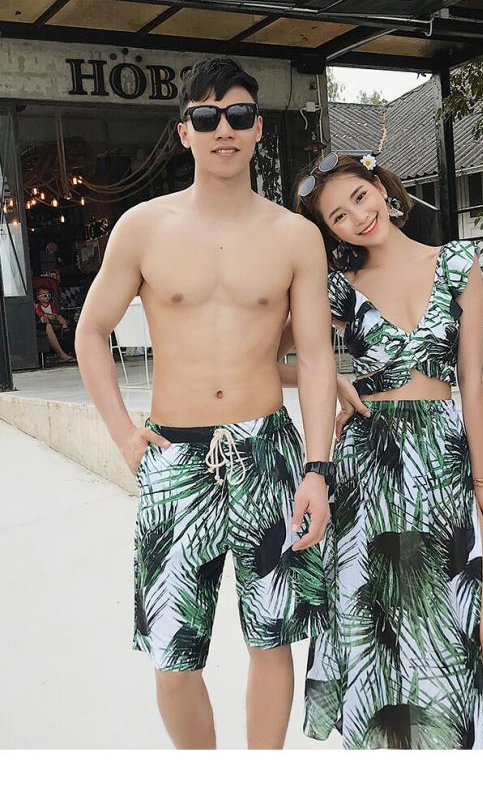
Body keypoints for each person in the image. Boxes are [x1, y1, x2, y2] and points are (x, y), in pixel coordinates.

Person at [75, 58, 337, 750]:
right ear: (185, 131)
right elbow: (91, 331)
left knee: (272, 639)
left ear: (258, 129)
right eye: (207, 116)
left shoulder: (295, 236)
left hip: (268, 455)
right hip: (175, 455)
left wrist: (317, 469)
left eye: (240, 115)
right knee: (172, 655)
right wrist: (123, 433)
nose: (225, 129)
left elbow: (315, 357)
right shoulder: (142, 227)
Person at [277, 151, 483, 750]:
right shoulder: (339, 290)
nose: (357, 218)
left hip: (442, 460)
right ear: (331, 232)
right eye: (338, 217)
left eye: (359, 197)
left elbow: (471, 382)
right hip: (368, 466)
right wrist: (333, 380)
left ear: (381, 187)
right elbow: (267, 357)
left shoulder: (456, 264)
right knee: (381, 638)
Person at [34, 285, 74, 362]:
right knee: (45, 319)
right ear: (38, 297)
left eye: (49, 295)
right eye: (45, 296)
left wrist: (54, 316)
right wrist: (47, 316)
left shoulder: (52, 305)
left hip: (54, 319)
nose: (47, 297)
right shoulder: (38, 306)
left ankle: (64, 326)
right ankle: (62, 355)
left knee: (60, 317)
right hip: (45, 320)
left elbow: (55, 312)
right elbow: (40, 314)